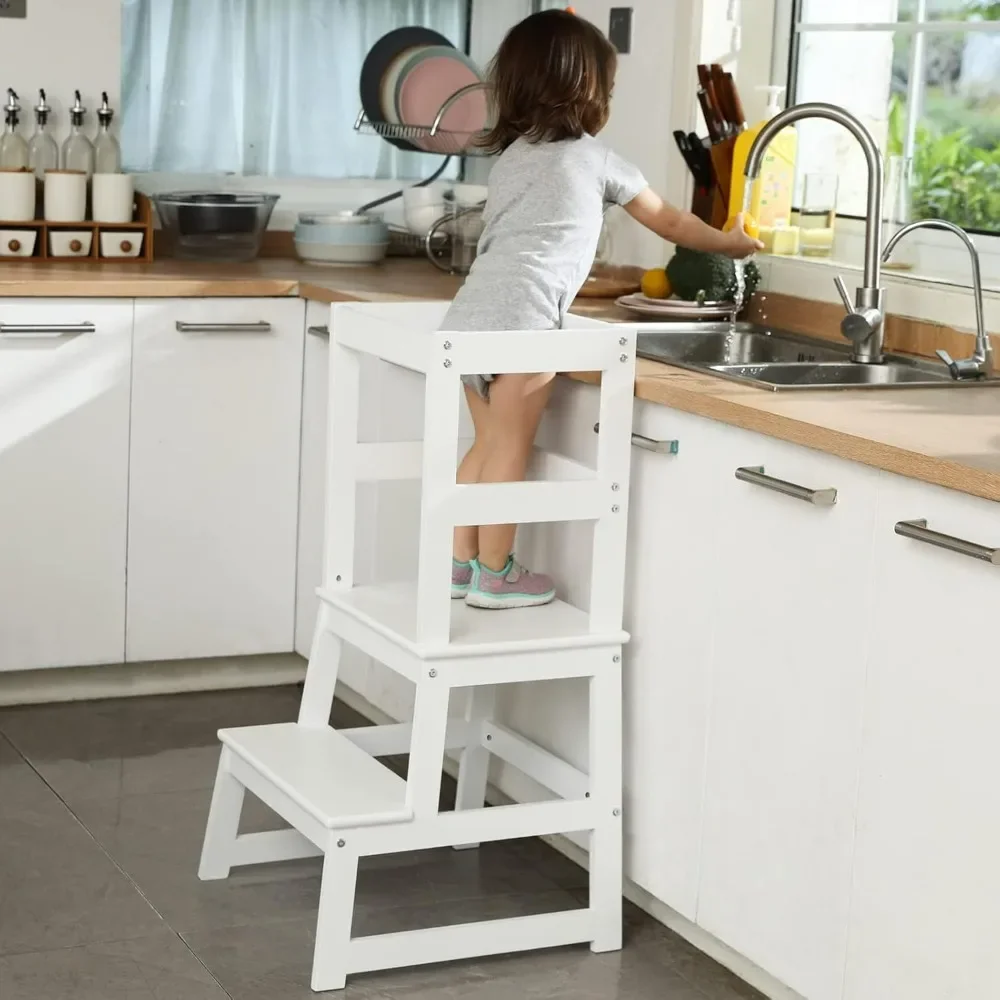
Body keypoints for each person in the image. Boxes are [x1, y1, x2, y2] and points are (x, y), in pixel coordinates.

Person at [444, 9, 762, 611]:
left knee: (483, 446)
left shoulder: (511, 157)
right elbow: (670, 221)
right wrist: (732, 241)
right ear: (587, 91)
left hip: (469, 317)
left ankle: (461, 566)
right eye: (609, 88)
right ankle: (496, 574)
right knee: (511, 448)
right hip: (526, 324)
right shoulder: (600, 160)